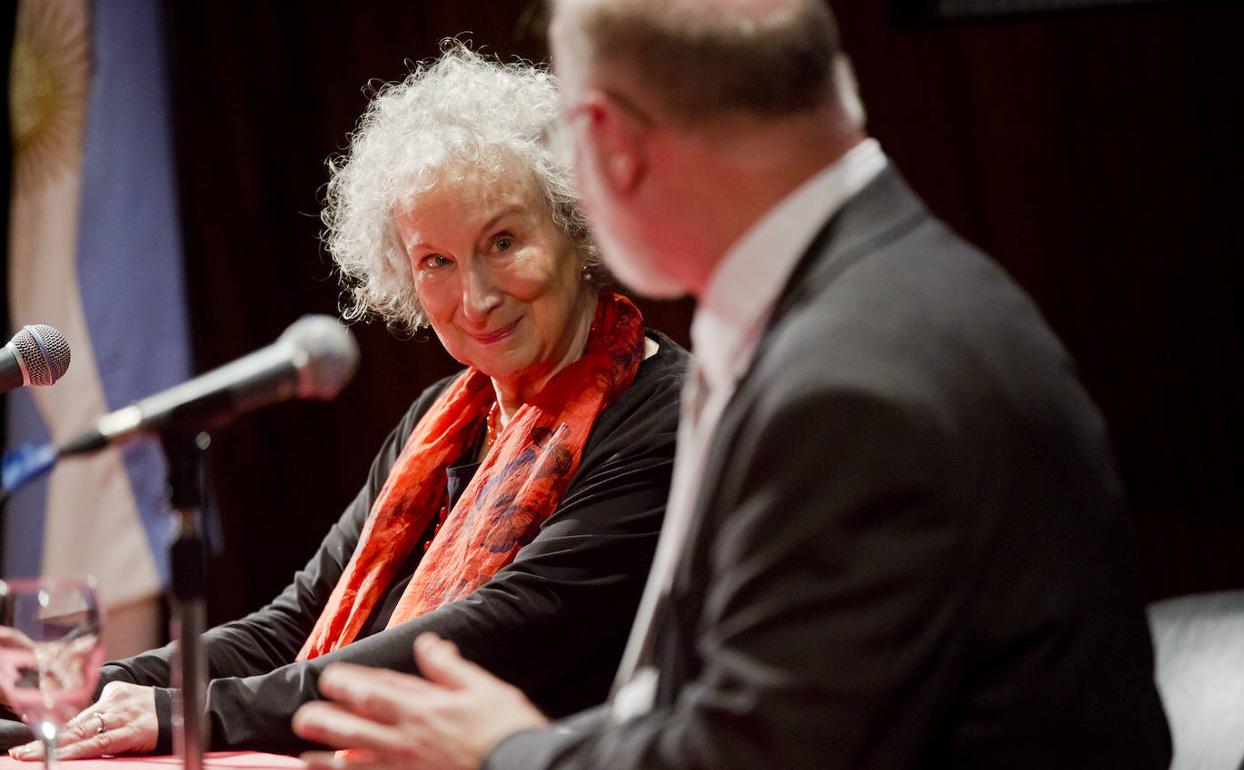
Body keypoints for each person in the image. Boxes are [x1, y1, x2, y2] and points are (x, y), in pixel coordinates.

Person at [290, 1, 1173, 768]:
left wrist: (503, 754)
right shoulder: (889, 293)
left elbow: (757, 756)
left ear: (605, 145)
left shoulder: (848, 386)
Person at [7, 42, 686, 760]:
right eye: (437, 263)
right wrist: (89, 691)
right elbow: (296, 621)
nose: (476, 298)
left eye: (505, 241)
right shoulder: (442, 418)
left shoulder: (660, 417)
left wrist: (187, 713)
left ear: (575, 225)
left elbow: (470, 644)